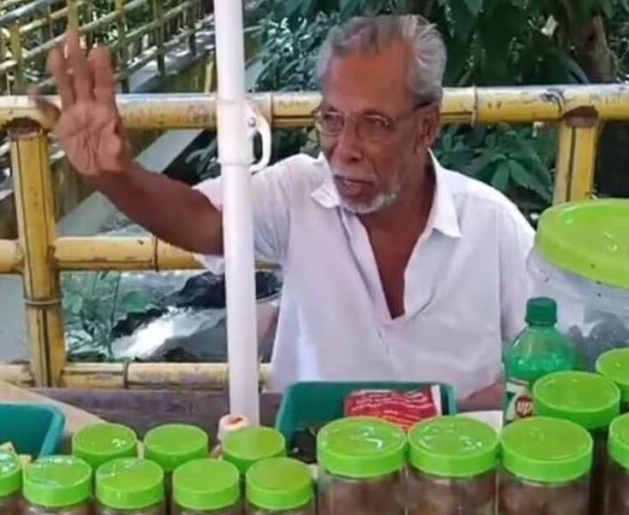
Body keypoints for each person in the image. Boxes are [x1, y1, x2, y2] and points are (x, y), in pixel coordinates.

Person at [39, 15, 535, 410]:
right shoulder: (299, 194)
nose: (345, 149)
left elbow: (549, 365)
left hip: (453, 479)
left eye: (375, 124)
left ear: (427, 128)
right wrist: (115, 175)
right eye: (333, 120)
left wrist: (473, 413)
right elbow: (199, 220)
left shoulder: (494, 228)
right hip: (311, 475)